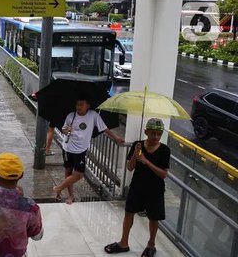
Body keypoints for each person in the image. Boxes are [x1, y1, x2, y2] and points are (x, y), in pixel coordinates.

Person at [104, 118, 170, 257]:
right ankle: (123, 243)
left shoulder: (164, 150)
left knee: (153, 217)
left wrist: (146, 162)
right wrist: (135, 154)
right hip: (137, 186)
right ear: (146, 132)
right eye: (153, 133)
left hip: (155, 189)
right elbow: (130, 167)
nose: (156, 137)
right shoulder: (137, 145)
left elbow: (163, 174)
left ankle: (151, 245)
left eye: (159, 134)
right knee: (129, 213)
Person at [53, 97, 124, 204]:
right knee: (68, 172)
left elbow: (104, 128)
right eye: (77, 104)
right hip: (68, 148)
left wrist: (116, 138)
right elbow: (63, 130)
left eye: (81, 104)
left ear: (88, 106)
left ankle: (59, 188)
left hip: (81, 150)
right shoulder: (71, 116)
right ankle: (70, 196)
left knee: (79, 174)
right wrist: (66, 130)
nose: (78, 107)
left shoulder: (93, 115)